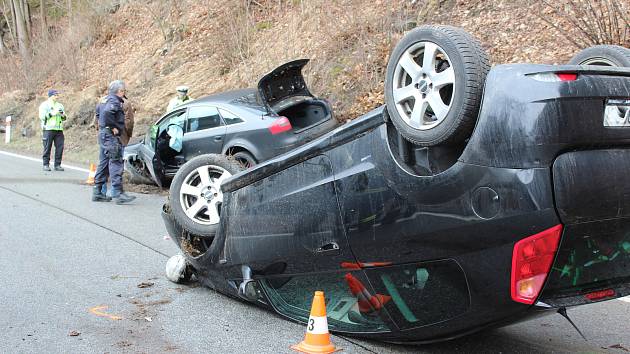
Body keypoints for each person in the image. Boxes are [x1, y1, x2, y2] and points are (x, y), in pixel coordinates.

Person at [92, 80, 136, 204]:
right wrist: (112, 127)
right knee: (116, 162)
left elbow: (98, 114)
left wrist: (104, 127)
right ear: (119, 91)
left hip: (103, 134)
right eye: (123, 91)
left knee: (104, 163)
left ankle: (98, 191)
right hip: (110, 136)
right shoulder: (114, 101)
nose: (124, 93)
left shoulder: (103, 100)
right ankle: (117, 193)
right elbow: (106, 113)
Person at [39, 89, 66, 171]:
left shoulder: (60, 105)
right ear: (50, 96)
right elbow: (42, 117)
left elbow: (64, 118)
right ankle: (46, 164)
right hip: (48, 129)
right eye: (55, 95)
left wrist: (62, 115)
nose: (57, 96)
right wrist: (53, 113)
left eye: (58, 95)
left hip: (59, 129)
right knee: (47, 147)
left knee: (60, 147)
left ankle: (57, 165)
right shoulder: (44, 105)